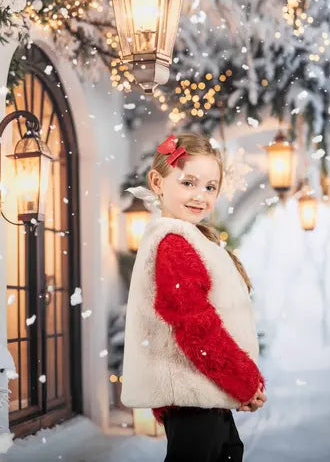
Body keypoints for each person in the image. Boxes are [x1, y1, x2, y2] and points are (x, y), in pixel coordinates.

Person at [120, 132, 267, 462]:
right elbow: (195, 326)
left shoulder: (192, 239)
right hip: (194, 404)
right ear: (157, 182)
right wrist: (244, 382)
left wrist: (239, 386)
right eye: (188, 183)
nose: (200, 195)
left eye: (210, 187)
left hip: (205, 398)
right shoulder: (173, 242)